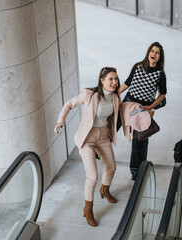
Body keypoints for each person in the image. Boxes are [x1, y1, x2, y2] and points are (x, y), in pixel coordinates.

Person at [54, 67, 121, 227]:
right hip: (87, 139)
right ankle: (88, 208)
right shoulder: (89, 94)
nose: (114, 82)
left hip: (103, 136)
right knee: (92, 176)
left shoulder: (115, 98)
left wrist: (143, 111)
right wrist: (60, 120)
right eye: (111, 79)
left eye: (116, 79)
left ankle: (104, 190)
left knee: (111, 167)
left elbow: (124, 110)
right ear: (102, 80)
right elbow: (70, 104)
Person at [118, 42, 167, 180]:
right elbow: (127, 83)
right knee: (114, 121)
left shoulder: (160, 74)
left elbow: (162, 94)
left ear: (160, 57)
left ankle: (137, 170)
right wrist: (114, 95)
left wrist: (151, 107)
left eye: (157, 53)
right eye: (152, 51)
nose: (154, 54)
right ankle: (100, 148)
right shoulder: (137, 66)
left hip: (141, 109)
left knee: (140, 139)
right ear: (148, 52)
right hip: (128, 103)